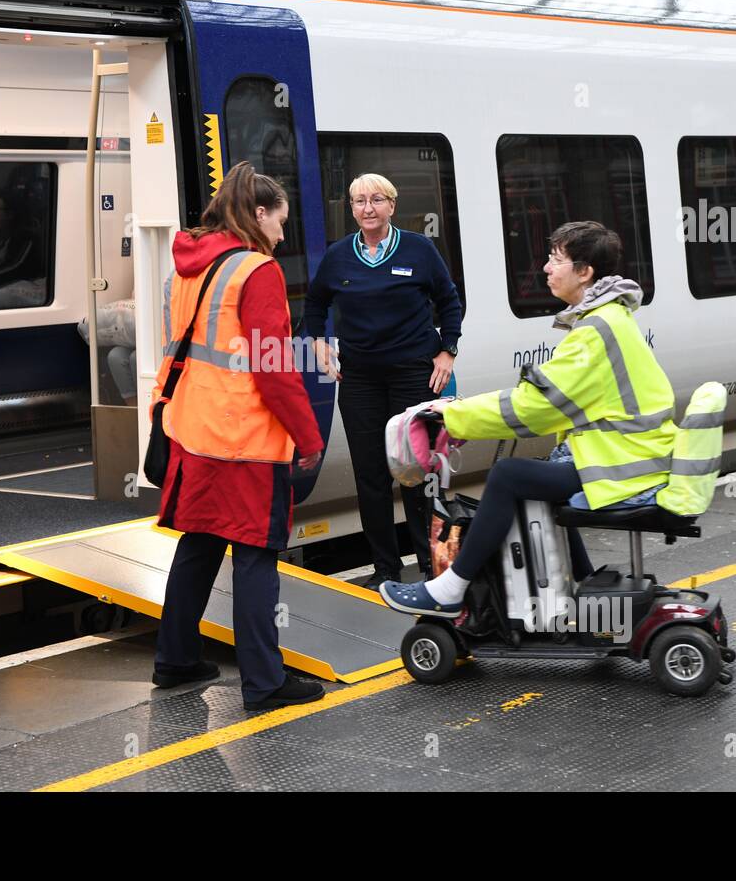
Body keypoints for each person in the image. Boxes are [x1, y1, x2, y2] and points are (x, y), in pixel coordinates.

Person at [379, 221, 677, 617]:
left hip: (624, 465)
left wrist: (454, 415)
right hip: (632, 455)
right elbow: (550, 399)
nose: (546, 269)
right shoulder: (609, 319)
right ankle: (588, 590)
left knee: (509, 477)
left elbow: (534, 408)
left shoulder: (595, 331)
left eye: (556, 260)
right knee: (538, 478)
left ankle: (450, 590)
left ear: (584, 272)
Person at [152, 161, 327, 711]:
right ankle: (265, 682)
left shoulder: (186, 263)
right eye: (279, 221)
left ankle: (175, 661)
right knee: (255, 555)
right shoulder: (257, 271)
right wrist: (308, 435)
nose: (282, 234)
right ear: (257, 214)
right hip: (245, 438)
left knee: (199, 546)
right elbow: (273, 367)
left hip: (190, 428)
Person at [304, 173, 463, 588]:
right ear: (352, 209)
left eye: (376, 200)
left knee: (416, 473)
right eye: (359, 201)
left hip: (413, 374)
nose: (367, 208)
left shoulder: (418, 249)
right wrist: (320, 341)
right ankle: (385, 571)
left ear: (392, 205)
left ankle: (433, 569)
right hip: (360, 379)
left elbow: (448, 301)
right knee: (371, 476)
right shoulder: (338, 256)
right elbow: (316, 302)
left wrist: (448, 350)